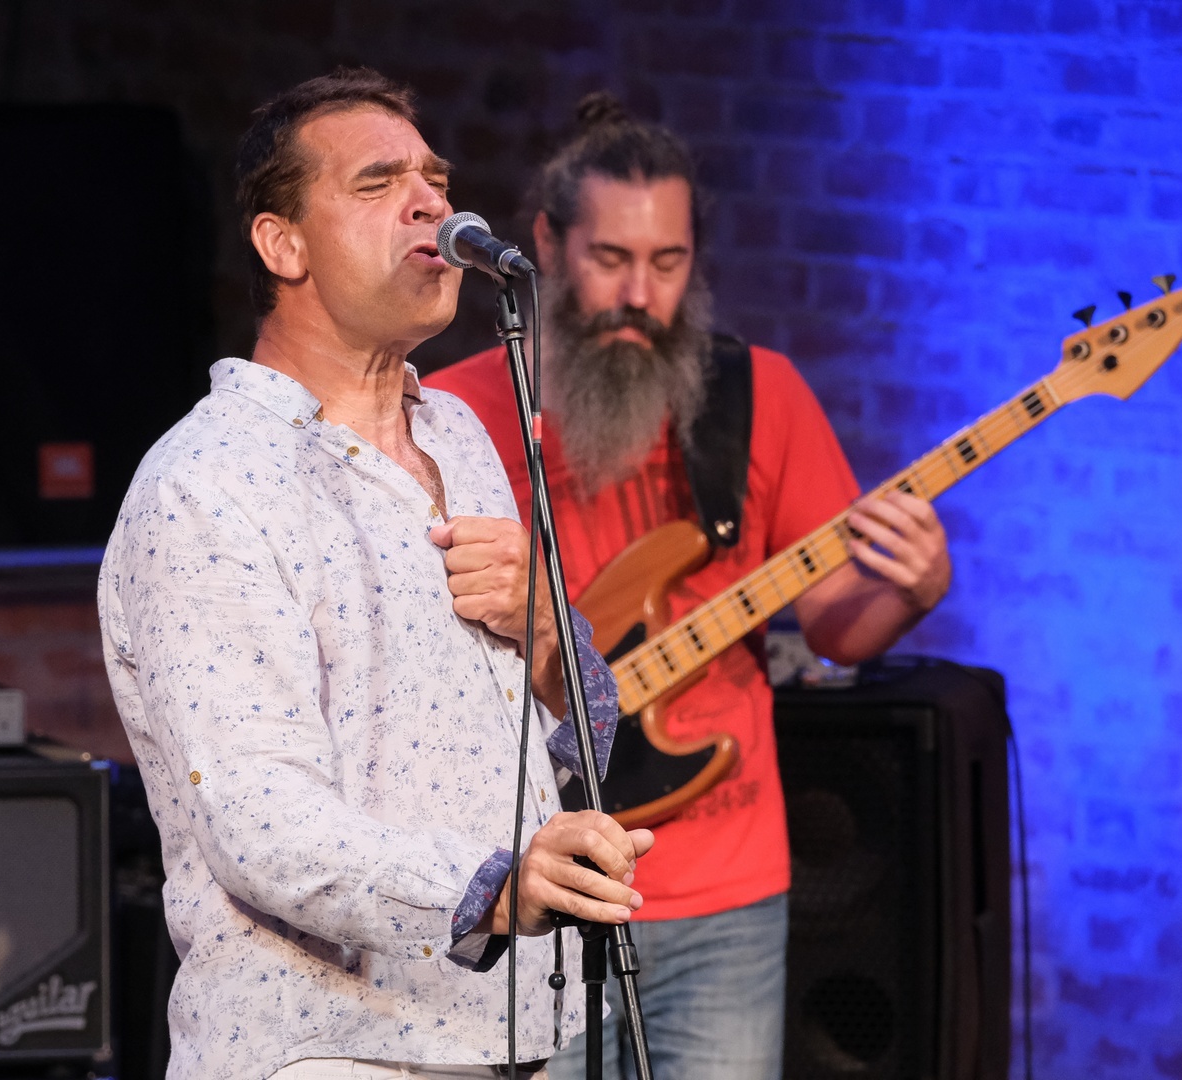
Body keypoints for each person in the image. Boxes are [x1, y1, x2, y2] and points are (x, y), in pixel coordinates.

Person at [98, 70, 655, 1080]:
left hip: (518, 1039)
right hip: (328, 1050)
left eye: (437, 178)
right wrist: (496, 887)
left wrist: (548, 635)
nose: (431, 202)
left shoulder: (462, 433)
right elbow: (262, 822)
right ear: (284, 245)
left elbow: (568, 751)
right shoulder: (207, 483)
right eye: (378, 182)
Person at [425, 93, 953, 1080]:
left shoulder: (760, 396)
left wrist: (913, 591)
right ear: (549, 243)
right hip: (536, 879)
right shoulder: (450, 414)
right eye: (611, 258)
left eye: (667, 263)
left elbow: (835, 628)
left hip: (726, 892)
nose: (640, 293)